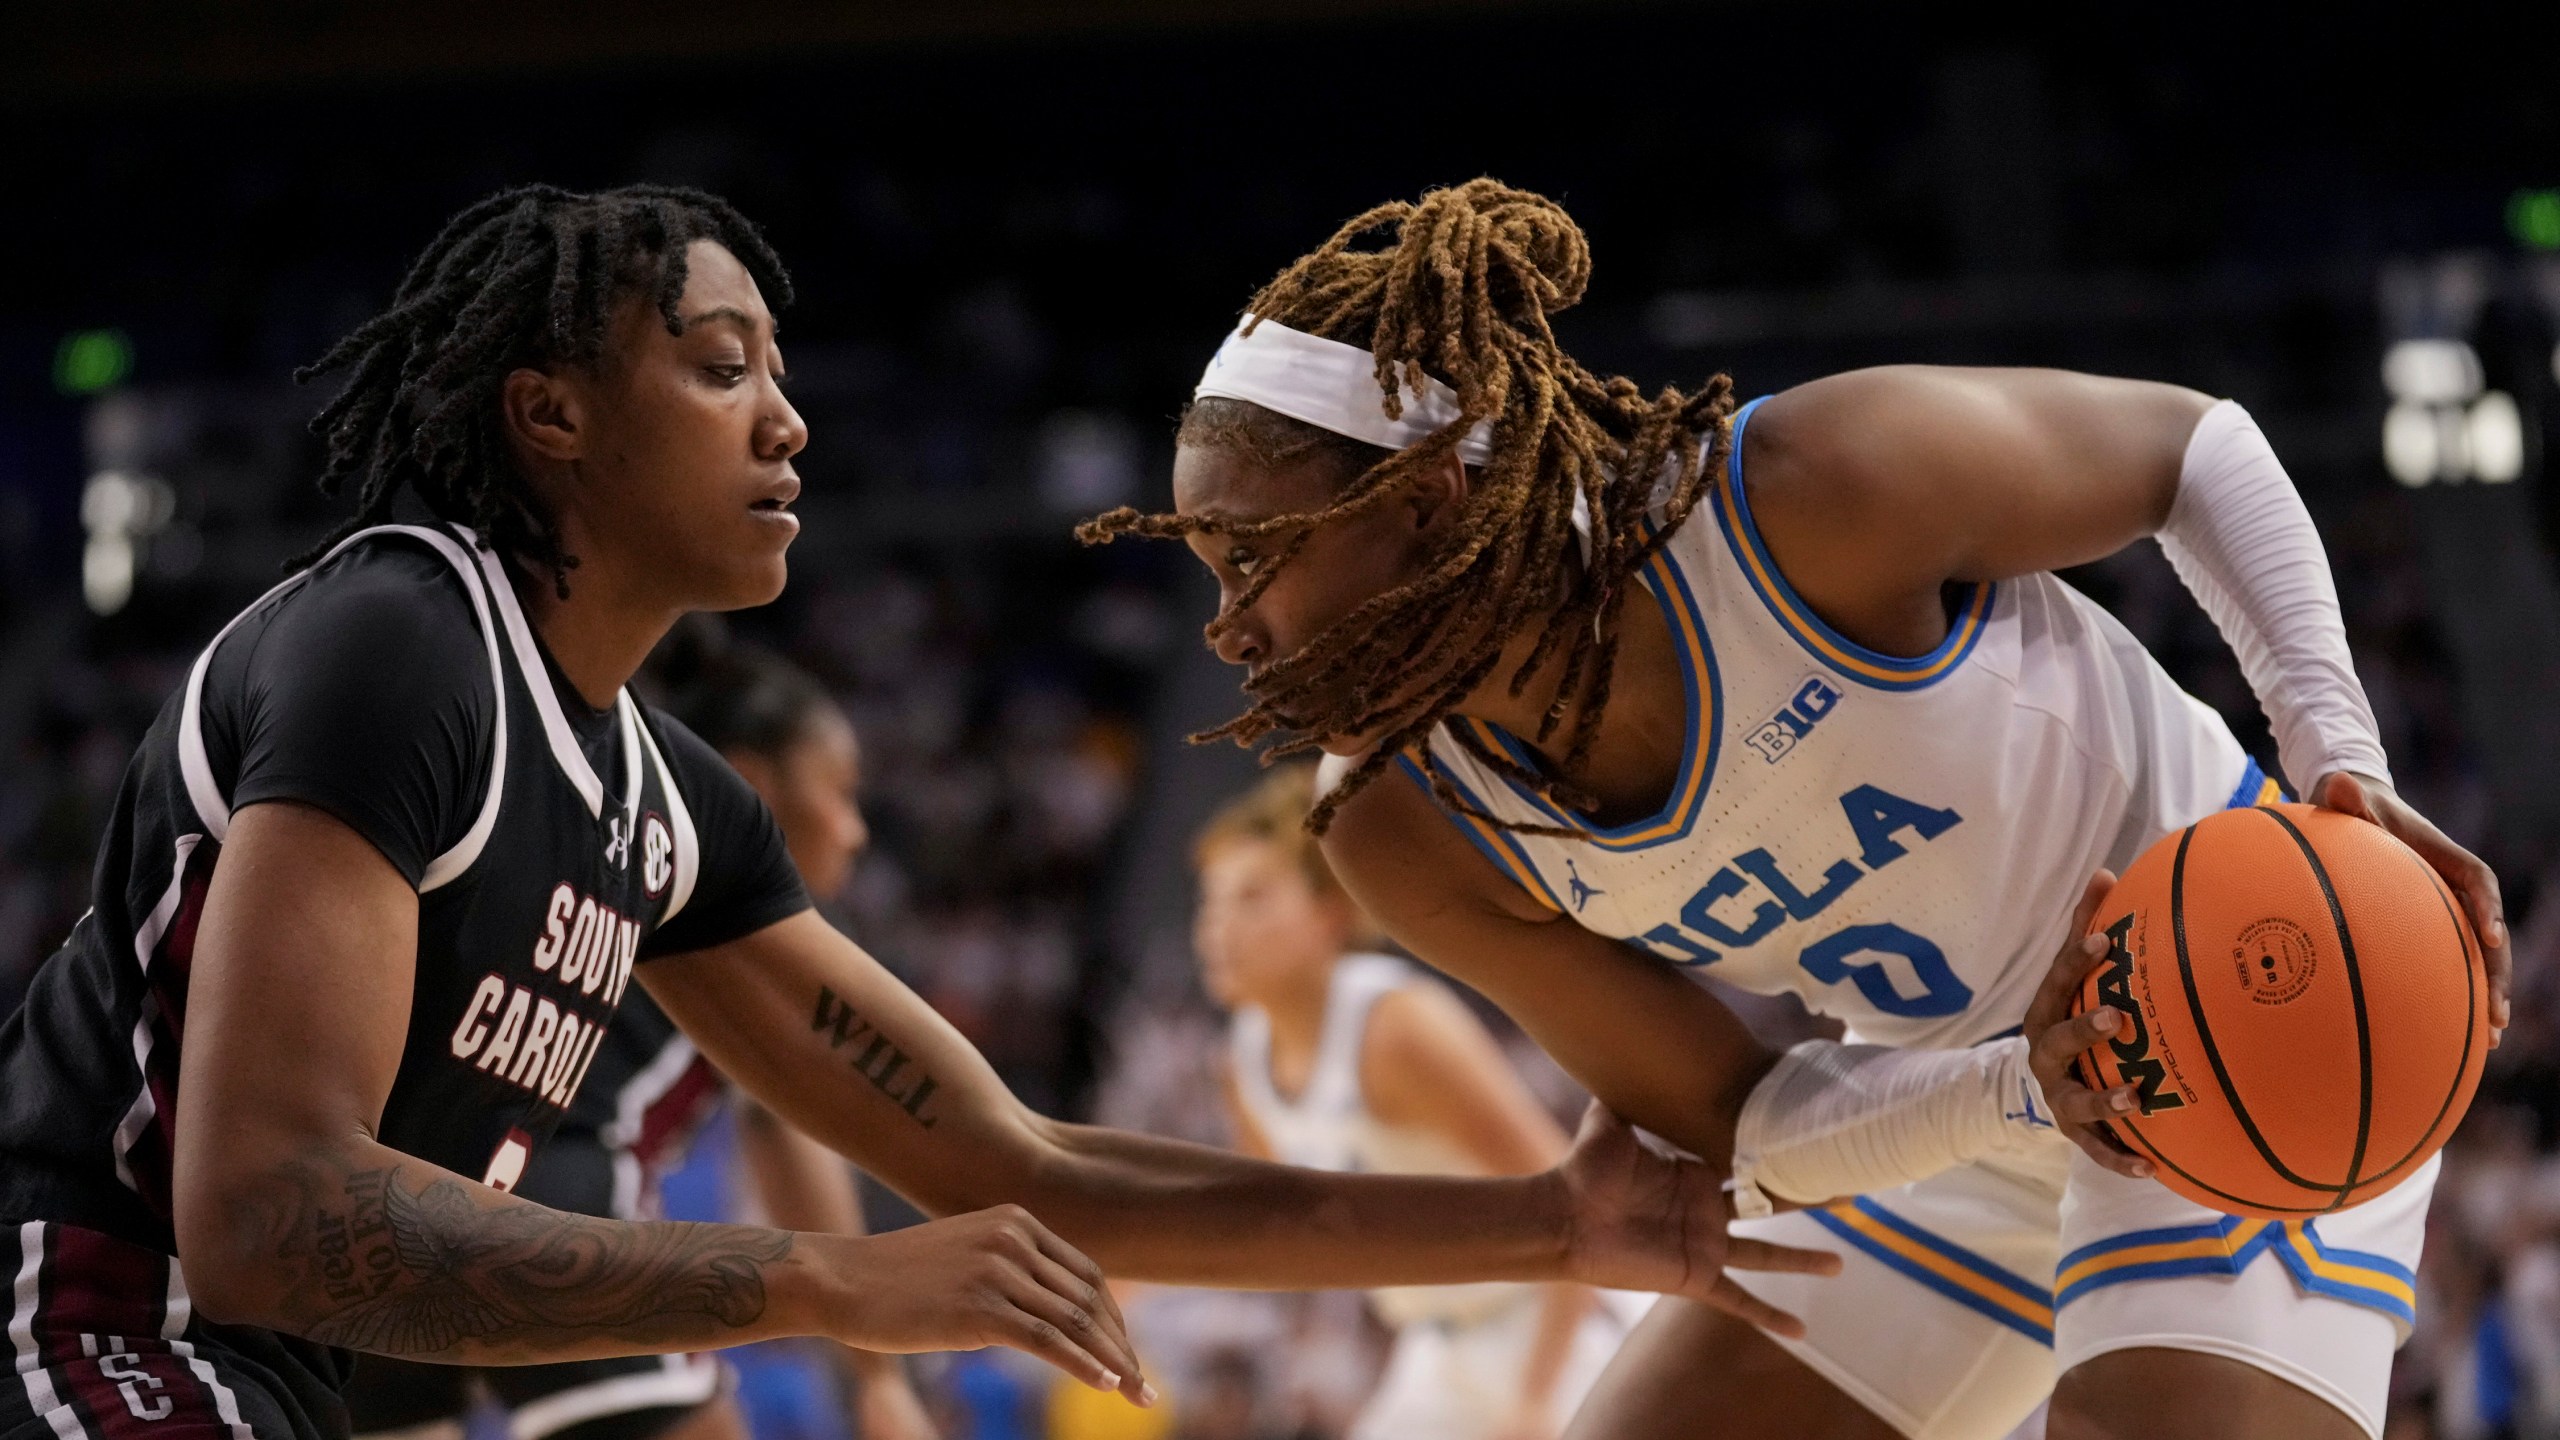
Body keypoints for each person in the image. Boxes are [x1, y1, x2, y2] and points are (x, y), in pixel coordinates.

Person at [0, 183, 1827, 1440]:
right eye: (722, 370)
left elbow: (1025, 1170)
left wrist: (1566, 1226)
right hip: (81, 1329)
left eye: (783, 372)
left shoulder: (665, 807)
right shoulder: (402, 638)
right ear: (546, 414)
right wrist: (826, 1284)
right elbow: (259, 1210)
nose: (788, 420)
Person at [1081, 178, 2512, 1440]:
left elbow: (2192, 452)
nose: (1232, 631)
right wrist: (2017, 1090)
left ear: (1433, 496)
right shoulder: (1400, 826)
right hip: (1950, 1104)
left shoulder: (1798, 498)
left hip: (2235, 1012)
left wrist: (2343, 766)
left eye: (1250, 558)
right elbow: (1736, 1112)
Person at [339, 636, 936, 1440]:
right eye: (842, 792)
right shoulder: (749, 935)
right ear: (752, 786)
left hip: (387, 1212)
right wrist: (875, 1376)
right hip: (560, 1202)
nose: (857, 831)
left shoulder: (592, 847)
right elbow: (793, 1140)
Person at [1192, 766, 1643, 1440]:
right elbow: (1262, 1224)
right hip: (1437, 1344)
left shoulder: (1394, 1028)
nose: (1217, 928)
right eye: (1211, 902)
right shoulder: (1242, 1060)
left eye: (1251, 898)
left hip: (1560, 1324)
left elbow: (1579, 1204)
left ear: (1330, 913)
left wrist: (1536, 1400)